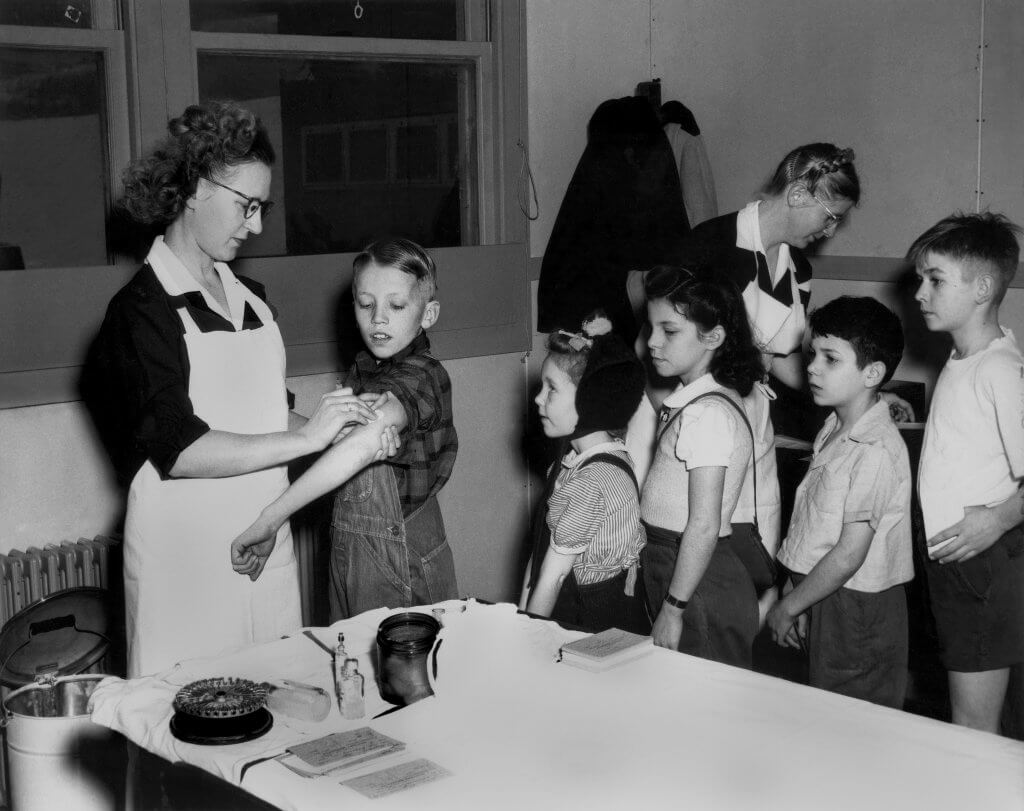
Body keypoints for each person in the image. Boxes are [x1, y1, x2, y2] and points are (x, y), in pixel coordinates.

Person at [82, 101, 393, 677]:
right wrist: (306, 440)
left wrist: (345, 427)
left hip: (263, 545)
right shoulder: (139, 312)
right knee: (188, 713)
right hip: (186, 566)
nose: (255, 226)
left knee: (276, 700)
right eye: (246, 206)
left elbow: (268, 414)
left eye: (261, 208)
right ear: (196, 188)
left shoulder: (253, 300)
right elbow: (179, 447)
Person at [231, 238, 460, 622]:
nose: (378, 318)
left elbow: (362, 442)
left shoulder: (423, 375)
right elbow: (337, 441)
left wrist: (273, 516)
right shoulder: (364, 369)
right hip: (351, 547)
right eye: (366, 304)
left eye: (396, 306)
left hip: (402, 553)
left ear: (428, 314)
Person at [766, 296, 913, 709]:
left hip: (857, 608)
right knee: (822, 709)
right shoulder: (834, 426)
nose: (812, 367)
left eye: (830, 359)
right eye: (813, 354)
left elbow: (849, 554)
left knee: (850, 719)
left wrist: (788, 606)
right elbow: (813, 528)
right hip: (823, 593)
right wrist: (799, 595)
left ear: (872, 373)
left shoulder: (875, 449)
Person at [908, 212, 1024, 734]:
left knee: (974, 724)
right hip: (954, 563)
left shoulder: (999, 368)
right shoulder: (964, 359)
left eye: (935, 280)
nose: (920, 293)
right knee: (967, 720)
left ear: (982, 288)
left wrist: (996, 520)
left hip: (980, 563)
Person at [639, 265, 765, 667]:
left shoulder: (707, 413)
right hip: (675, 566)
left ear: (713, 337)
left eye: (669, 331)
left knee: (703, 695)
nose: (652, 342)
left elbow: (705, 524)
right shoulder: (695, 400)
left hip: (696, 580)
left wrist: (674, 608)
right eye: (651, 328)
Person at [518, 313, 649, 634]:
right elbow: (539, 559)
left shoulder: (592, 482)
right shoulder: (579, 461)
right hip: (571, 612)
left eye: (551, 389)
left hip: (592, 625)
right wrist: (519, 619)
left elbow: (554, 577)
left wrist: (525, 639)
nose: (538, 398)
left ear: (589, 400)